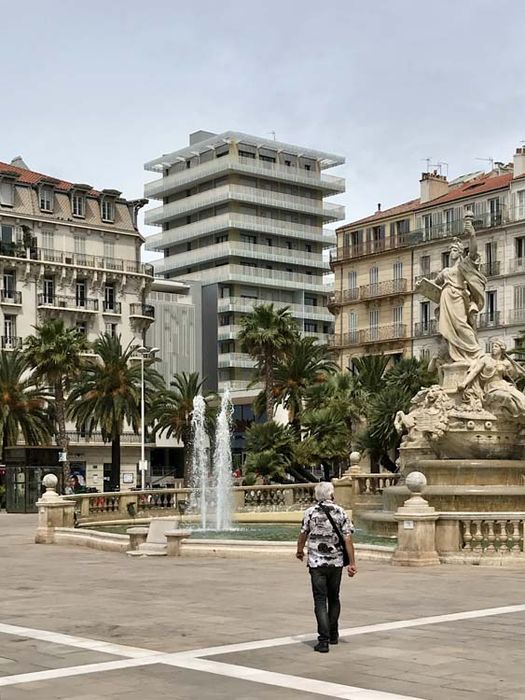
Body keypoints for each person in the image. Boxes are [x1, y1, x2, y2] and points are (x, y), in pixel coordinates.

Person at [296, 481, 357, 653]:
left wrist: (300, 551)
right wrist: (352, 563)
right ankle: (333, 634)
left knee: (320, 600)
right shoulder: (340, 512)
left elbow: (303, 534)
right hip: (336, 563)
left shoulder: (310, 512)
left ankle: (323, 640)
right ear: (331, 494)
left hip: (316, 563)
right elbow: (348, 540)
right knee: (334, 597)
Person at [458, 340, 525, 418]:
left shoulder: (506, 362)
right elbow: (475, 372)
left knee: (521, 397)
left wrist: (512, 369)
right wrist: (464, 383)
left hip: (504, 385)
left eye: (496, 346)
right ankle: (518, 417)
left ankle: (522, 416)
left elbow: (514, 375)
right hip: (491, 386)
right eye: (492, 346)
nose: (493, 348)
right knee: (507, 397)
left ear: (501, 349)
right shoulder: (485, 359)